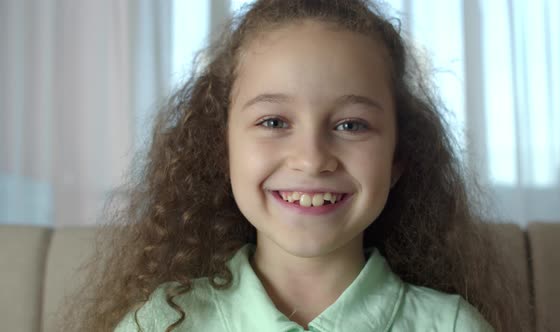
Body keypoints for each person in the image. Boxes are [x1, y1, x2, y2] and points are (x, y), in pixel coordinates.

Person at [61, 0, 531, 331]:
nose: (311, 158)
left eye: (351, 125)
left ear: (399, 158)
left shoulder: (450, 327)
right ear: (220, 150)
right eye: (273, 121)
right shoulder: (160, 323)